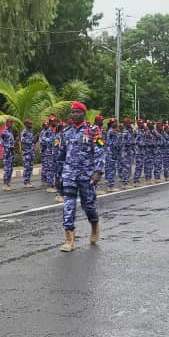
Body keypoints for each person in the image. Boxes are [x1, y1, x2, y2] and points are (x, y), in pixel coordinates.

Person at [57, 102, 106, 252]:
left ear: (83, 114)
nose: (75, 115)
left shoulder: (92, 131)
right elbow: (61, 155)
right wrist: (58, 175)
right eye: (73, 112)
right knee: (68, 205)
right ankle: (69, 239)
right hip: (69, 174)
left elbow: (100, 151)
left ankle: (94, 225)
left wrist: (98, 172)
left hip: (87, 175)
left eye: (78, 112)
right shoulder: (66, 132)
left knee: (88, 205)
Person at [0, 118, 16, 190]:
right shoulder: (4, 132)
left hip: (11, 153)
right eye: (10, 122)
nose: (11, 124)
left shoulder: (11, 132)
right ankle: (5, 184)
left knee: (10, 168)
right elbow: (1, 142)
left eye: (12, 122)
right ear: (6, 123)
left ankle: (8, 183)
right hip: (7, 153)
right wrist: (9, 147)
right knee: (7, 168)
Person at [20, 119, 36, 188]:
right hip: (26, 153)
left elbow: (32, 142)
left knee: (30, 167)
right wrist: (32, 140)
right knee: (27, 167)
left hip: (31, 152)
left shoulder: (30, 132)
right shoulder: (24, 132)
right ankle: (26, 182)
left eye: (31, 123)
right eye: (29, 124)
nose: (31, 125)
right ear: (26, 124)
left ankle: (28, 181)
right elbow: (23, 140)